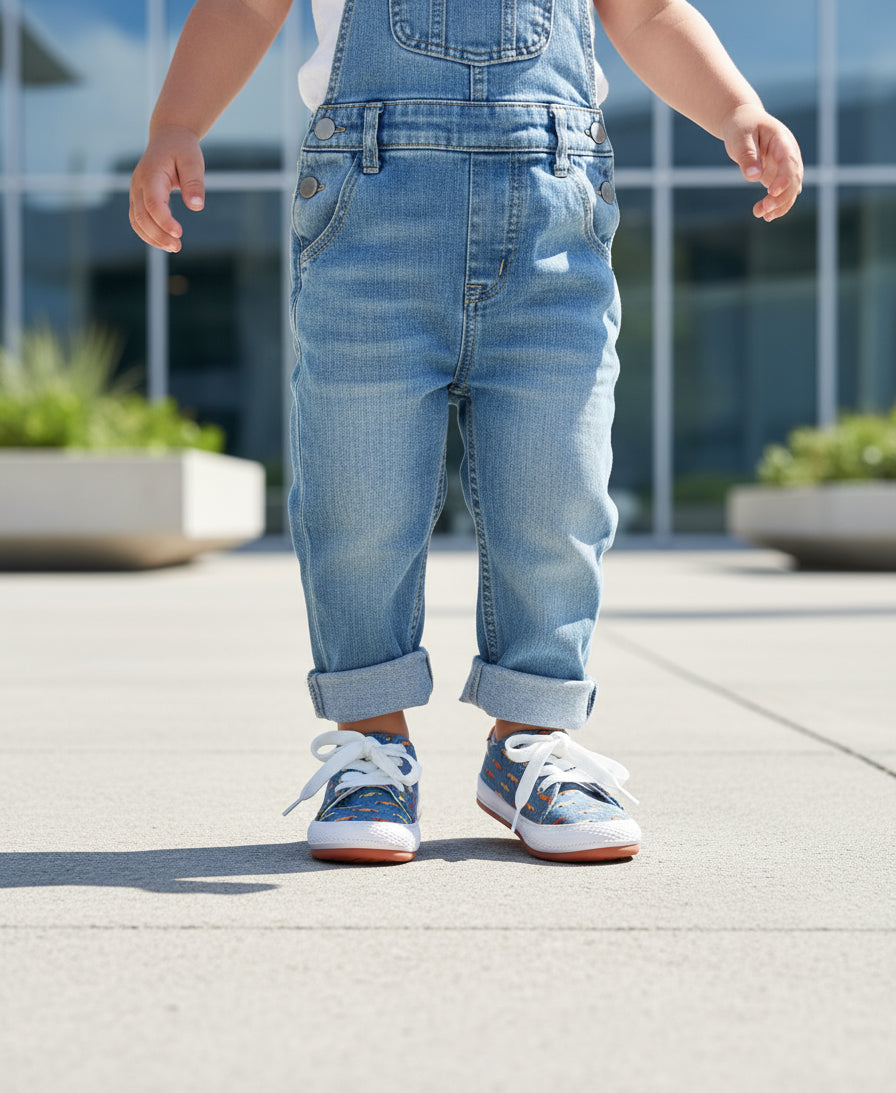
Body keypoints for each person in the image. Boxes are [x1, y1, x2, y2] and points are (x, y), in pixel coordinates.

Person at [130, 0, 803, 866]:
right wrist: (177, 123)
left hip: (553, 227)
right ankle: (371, 747)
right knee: (359, 499)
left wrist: (738, 108)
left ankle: (531, 741)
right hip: (370, 216)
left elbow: (647, 13)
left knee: (557, 492)